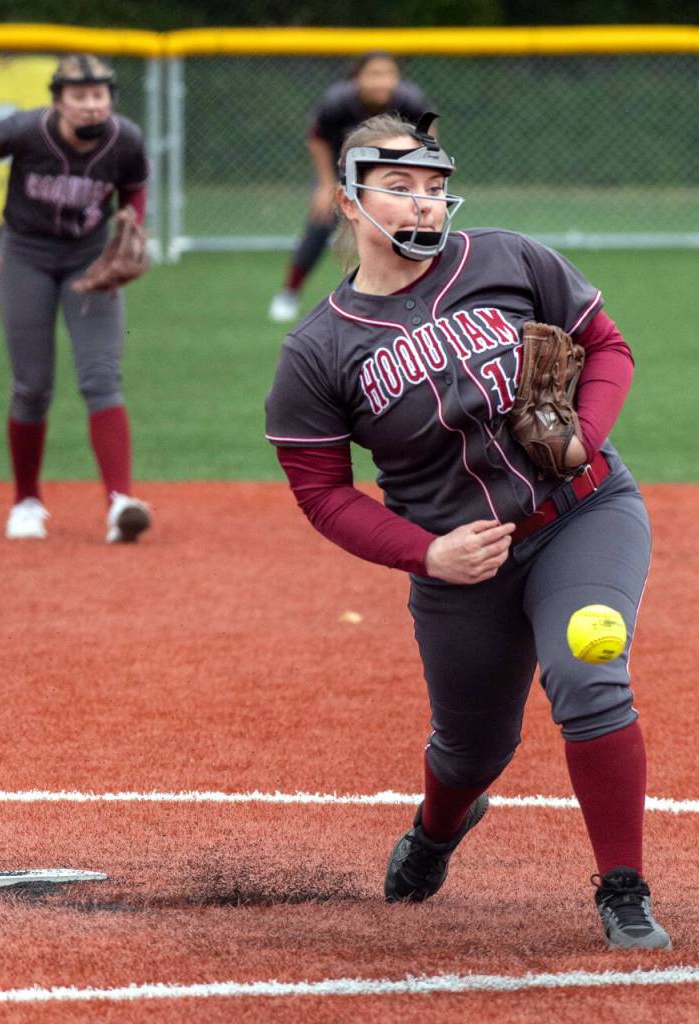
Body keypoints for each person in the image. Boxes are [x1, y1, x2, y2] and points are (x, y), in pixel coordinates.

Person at [264, 113, 671, 951]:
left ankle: (623, 888)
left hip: (581, 512)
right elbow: (322, 494)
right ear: (350, 201)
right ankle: (438, 828)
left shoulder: (507, 258)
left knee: (588, 673)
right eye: (399, 187)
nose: (424, 202)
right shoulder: (319, 349)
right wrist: (427, 553)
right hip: (461, 564)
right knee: (470, 750)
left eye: (434, 186)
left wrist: (585, 435)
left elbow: (606, 345)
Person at [0, 54, 152, 543]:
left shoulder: (126, 138)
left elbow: (134, 186)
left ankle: (120, 503)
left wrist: (131, 224)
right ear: (58, 100)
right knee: (32, 385)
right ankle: (26, 501)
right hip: (26, 256)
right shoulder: (26, 131)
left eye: (99, 94)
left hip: (90, 259)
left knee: (101, 376)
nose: (91, 104)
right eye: (79, 95)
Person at [267, 51, 430, 324]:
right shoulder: (339, 102)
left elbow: (428, 137)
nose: (382, 81)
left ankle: (414, 294)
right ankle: (289, 293)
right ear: (357, 78)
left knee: (407, 227)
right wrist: (325, 185)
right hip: (342, 173)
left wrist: (422, 179)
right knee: (320, 224)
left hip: (393, 177)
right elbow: (317, 139)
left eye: (389, 74)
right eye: (374, 74)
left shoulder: (409, 100)